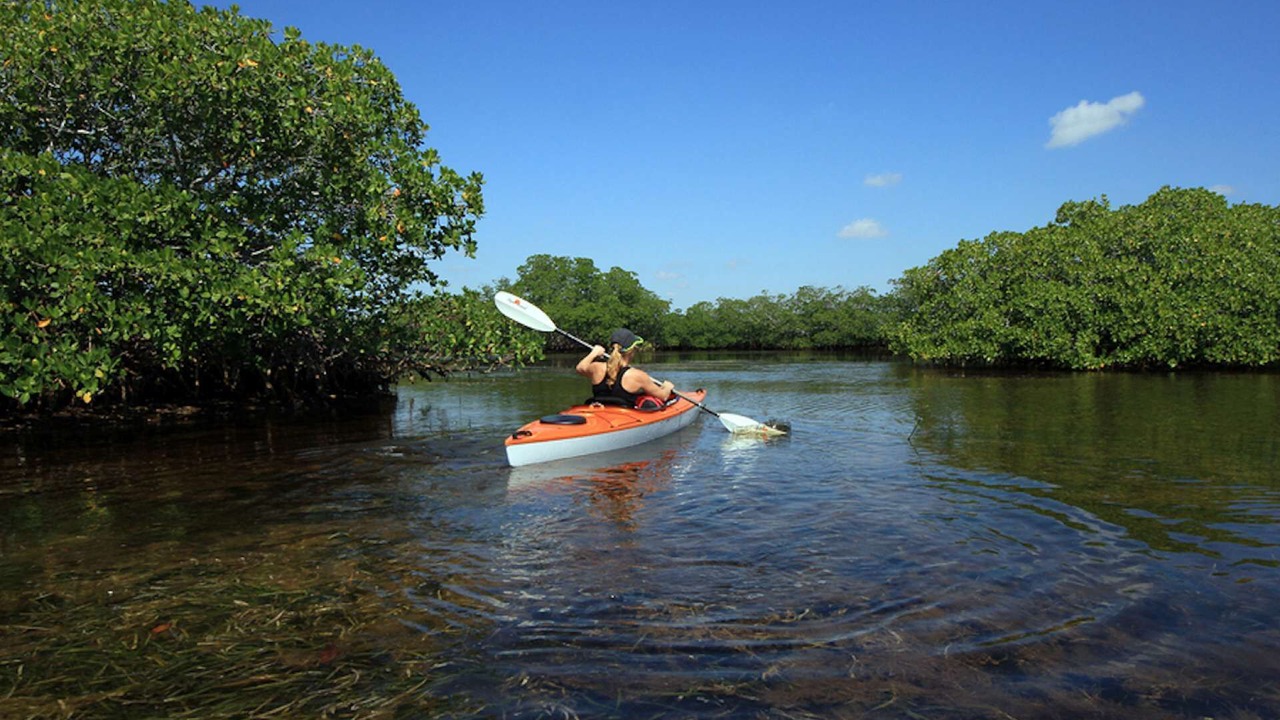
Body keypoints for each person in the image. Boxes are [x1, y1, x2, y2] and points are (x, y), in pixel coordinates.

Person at [576, 328, 675, 408]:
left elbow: (580, 368)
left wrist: (594, 353)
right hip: (622, 418)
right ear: (632, 351)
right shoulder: (637, 375)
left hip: (599, 412)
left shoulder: (597, 368)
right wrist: (667, 387)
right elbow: (663, 396)